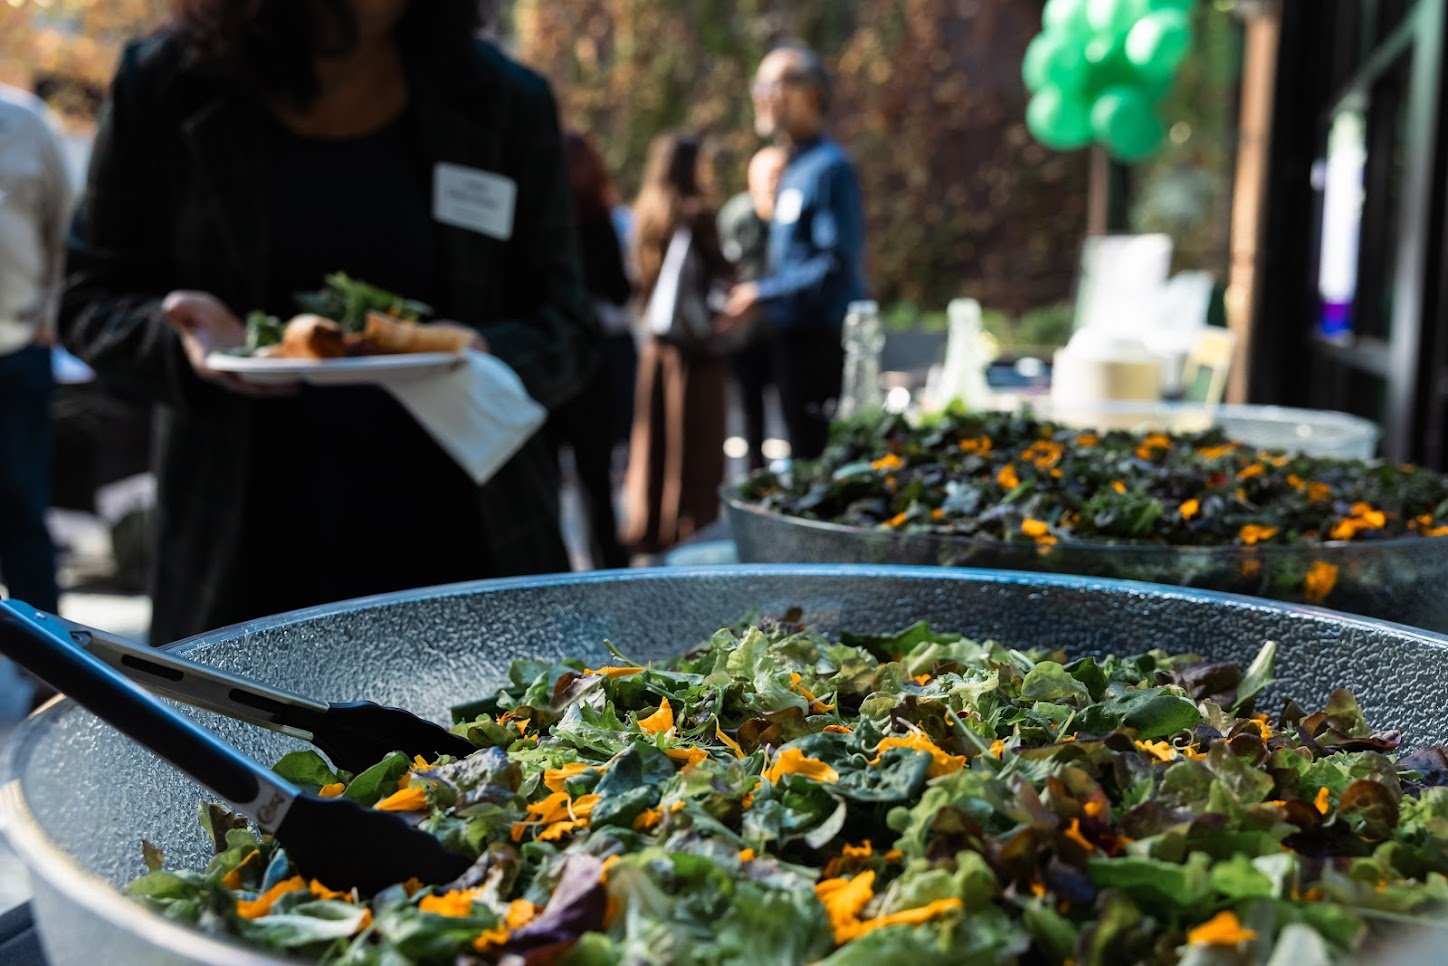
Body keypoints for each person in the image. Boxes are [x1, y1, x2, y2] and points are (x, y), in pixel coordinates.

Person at [60, 0, 597, 644]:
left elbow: (570, 324)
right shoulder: (167, 85)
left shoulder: (505, 100)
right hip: (240, 551)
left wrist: (478, 351)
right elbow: (87, 297)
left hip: (467, 543)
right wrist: (181, 342)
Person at [724, 40, 867, 461]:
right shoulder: (791, 167)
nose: (762, 98)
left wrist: (763, 294)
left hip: (819, 347)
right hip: (788, 343)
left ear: (811, 95)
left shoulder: (828, 169)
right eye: (760, 86)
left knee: (820, 461)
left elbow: (833, 264)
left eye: (774, 86)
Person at [620, 133, 731, 555]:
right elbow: (718, 275)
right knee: (695, 444)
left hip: (656, 346)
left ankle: (650, 528)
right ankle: (690, 532)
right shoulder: (696, 213)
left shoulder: (644, 213)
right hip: (695, 351)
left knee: (655, 441)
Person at [0, 82, 72, 717]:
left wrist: (53, 313)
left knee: (22, 508)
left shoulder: (25, 121)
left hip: (16, 348)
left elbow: (67, 224)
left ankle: (49, 669)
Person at [550, 129, 632, 569]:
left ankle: (557, 577)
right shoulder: (598, 223)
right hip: (591, 363)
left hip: (547, 365)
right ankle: (608, 574)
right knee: (597, 486)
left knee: (548, 487)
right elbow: (620, 294)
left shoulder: (541, 225)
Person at [717, 145, 786, 471]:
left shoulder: (791, 216)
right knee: (749, 412)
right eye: (769, 176)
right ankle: (754, 477)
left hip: (784, 330)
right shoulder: (736, 216)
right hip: (744, 333)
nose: (775, 183)